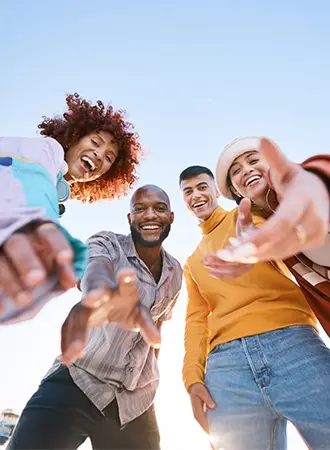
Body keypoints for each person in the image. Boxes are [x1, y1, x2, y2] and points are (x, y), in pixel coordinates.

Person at [9, 184, 182, 450]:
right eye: (139, 209)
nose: (150, 215)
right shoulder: (107, 243)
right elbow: (95, 268)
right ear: (129, 218)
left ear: (170, 217)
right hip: (78, 381)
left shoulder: (175, 272)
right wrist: (99, 293)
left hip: (134, 401)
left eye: (159, 209)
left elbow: (157, 326)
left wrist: (147, 375)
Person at [179, 163, 330, 450]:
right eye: (188, 191)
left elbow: (277, 237)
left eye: (202, 187)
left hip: (293, 345)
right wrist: (192, 379)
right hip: (227, 370)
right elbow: (196, 321)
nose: (196, 195)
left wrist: (255, 244)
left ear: (216, 191)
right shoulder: (192, 262)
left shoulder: (248, 216)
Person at [0, 92, 143, 325]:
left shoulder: (54, 191)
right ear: (73, 138)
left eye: (108, 158)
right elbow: (25, 178)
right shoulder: (48, 151)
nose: (99, 155)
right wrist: (32, 226)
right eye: (95, 142)